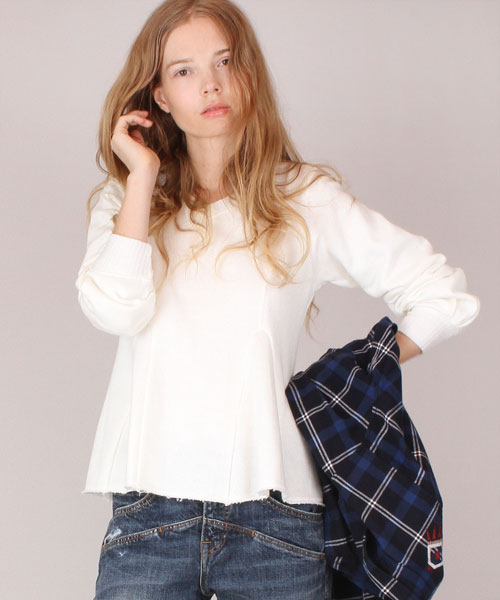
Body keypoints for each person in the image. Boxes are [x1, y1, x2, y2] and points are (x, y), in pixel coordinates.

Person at [74, 1, 480, 598]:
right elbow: (116, 309)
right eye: (184, 70)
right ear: (159, 94)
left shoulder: (303, 198)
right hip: (149, 517)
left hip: (275, 523)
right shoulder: (127, 200)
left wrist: (360, 372)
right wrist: (140, 177)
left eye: (225, 62)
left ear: (248, 73)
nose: (210, 83)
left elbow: (444, 296)